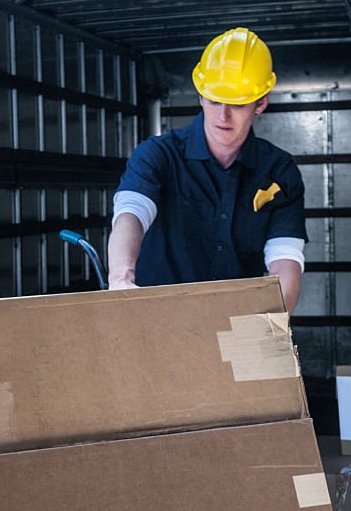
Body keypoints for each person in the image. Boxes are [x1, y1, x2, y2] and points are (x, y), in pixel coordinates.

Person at [108, 28, 306, 312]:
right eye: (214, 100)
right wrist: (120, 281)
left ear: (260, 103)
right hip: (155, 319)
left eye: (237, 103)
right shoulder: (157, 155)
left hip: (237, 321)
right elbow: (131, 214)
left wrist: (275, 319)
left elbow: (285, 257)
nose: (222, 115)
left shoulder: (278, 169)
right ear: (200, 96)